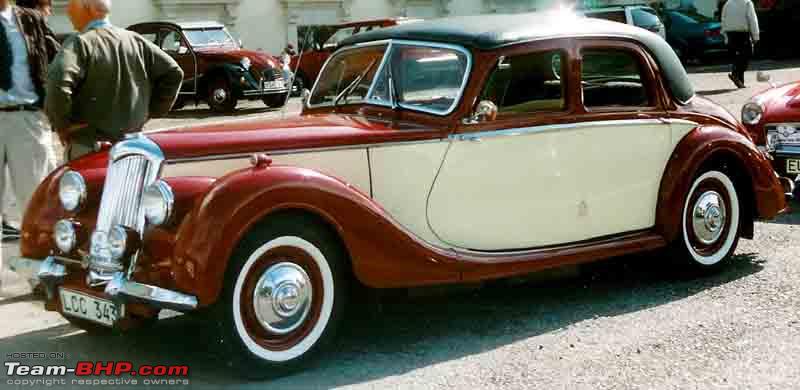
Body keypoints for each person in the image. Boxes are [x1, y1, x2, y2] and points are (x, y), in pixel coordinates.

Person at [46, 0, 183, 160]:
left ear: (88, 9)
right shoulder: (135, 41)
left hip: (89, 148)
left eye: (72, 4)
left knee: (87, 185)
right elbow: (173, 73)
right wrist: (150, 112)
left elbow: (58, 84)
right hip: (131, 147)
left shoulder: (80, 43)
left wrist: (63, 126)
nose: (68, 11)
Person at [0, 0, 59, 287]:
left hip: (27, 118)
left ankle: (39, 276)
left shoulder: (30, 20)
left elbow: (55, 61)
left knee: (35, 201)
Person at [721, 0, 760, 88]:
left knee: (739, 56)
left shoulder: (728, 3)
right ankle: (735, 74)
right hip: (742, 33)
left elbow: (723, 18)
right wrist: (756, 35)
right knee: (746, 54)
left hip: (730, 33)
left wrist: (725, 35)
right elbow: (752, 19)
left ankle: (740, 81)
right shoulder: (747, 2)